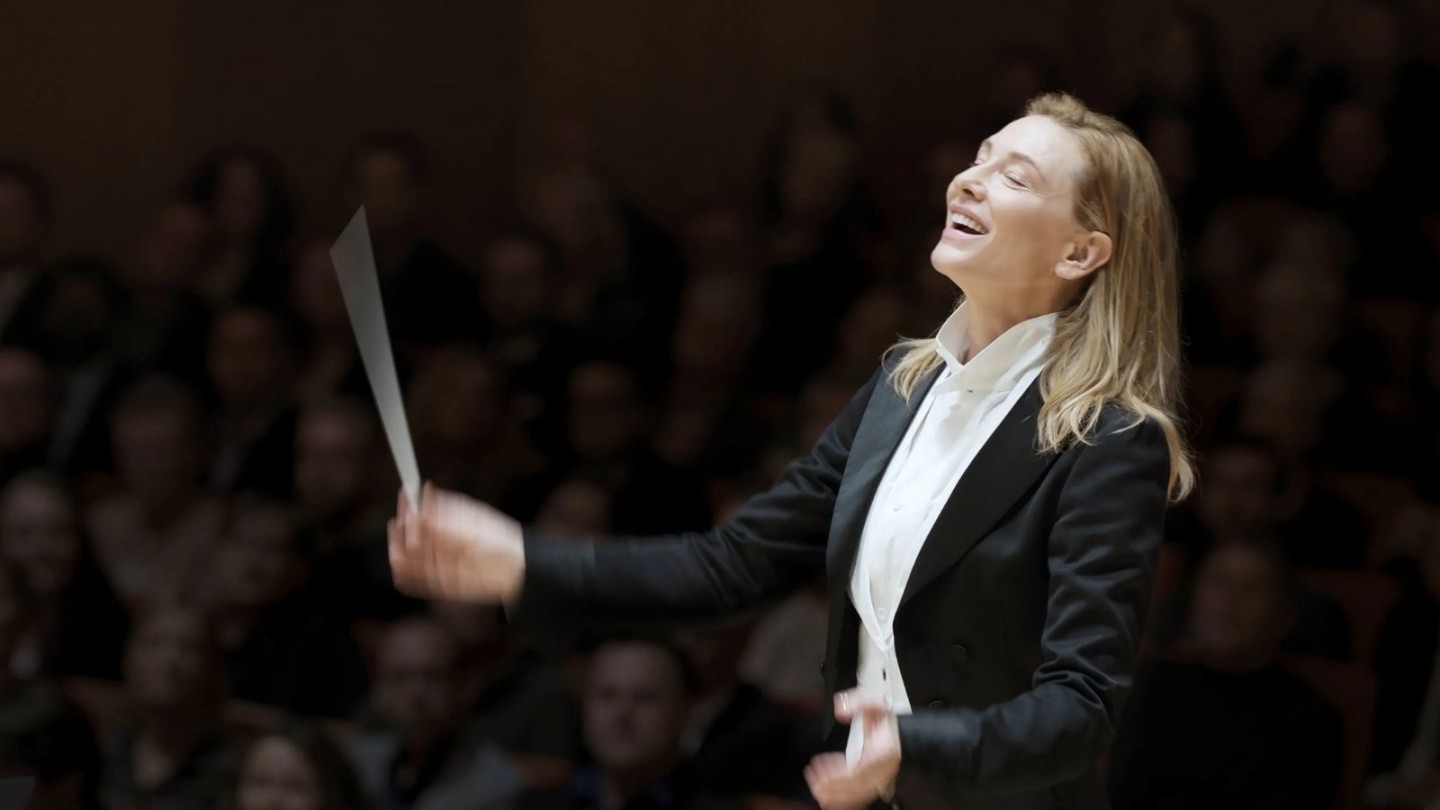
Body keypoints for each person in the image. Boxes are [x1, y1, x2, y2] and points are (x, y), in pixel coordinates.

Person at [388, 92, 1194, 810]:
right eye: (979, 158)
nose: (968, 180)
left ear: (1081, 253)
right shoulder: (900, 388)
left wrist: (914, 743)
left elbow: (1081, 706)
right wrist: (523, 561)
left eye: (1014, 177)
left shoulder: (1111, 437)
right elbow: (733, 564)